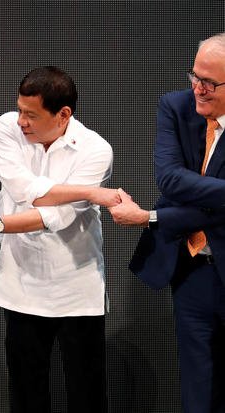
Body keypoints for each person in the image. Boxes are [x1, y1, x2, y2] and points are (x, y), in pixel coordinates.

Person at [0, 66, 119, 413]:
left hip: (75, 287)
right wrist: (89, 193)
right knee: (25, 393)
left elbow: (58, 217)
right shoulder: (7, 127)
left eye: (32, 115)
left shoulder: (96, 150)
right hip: (21, 283)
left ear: (63, 114)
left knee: (87, 393)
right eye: (20, 109)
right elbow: (24, 190)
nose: (21, 121)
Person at [109, 33, 225, 413]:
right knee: (196, 384)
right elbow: (170, 179)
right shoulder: (175, 107)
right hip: (191, 269)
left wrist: (151, 216)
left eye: (209, 83)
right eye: (194, 76)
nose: (198, 89)